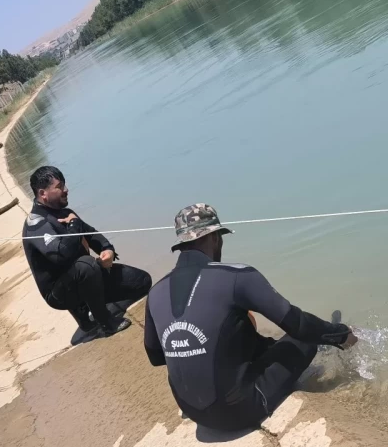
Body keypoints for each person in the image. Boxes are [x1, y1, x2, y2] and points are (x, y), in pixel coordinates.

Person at [143, 204, 355, 431]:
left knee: (236, 326)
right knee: (302, 340)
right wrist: (342, 334)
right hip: (238, 412)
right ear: (214, 237)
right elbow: (299, 325)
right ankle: (332, 341)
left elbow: (156, 356)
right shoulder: (236, 276)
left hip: (193, 411)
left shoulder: (156, 291)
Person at [22, 166, 152, 340]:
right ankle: (105, 322)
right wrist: (73, 225)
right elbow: (61, 255)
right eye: (59, 187)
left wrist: (107, 250)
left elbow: (91, 234)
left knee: (142, 282)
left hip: (87, 276)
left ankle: (89, 303)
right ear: (43, 193)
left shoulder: (64, 213)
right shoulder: (36, 224)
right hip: (60, 293)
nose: (66, 190)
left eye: (64, 185)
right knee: (86, 264)